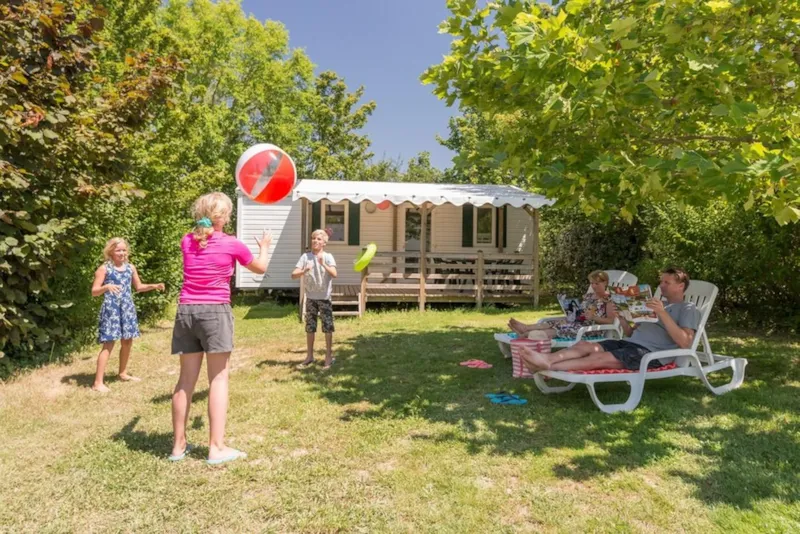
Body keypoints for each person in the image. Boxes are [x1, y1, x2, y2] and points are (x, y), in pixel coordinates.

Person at [169, 192, 271, 465]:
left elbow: (201, 241)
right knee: (218, 379)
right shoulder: (232, 243)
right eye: (227, 212)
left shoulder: (186, 241)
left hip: (186, 311)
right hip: (214, 312)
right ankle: (216, 447)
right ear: (223, 216)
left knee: (185, 382)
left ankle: (178, 446)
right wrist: (264, 246)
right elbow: (260, 268)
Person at [519, 267, 701, 373]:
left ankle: (548, 366)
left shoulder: (687, 309)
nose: (661, 286)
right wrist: (622, 318)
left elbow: (685, 342)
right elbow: (630, 332)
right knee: (585, 346)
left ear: (680, 286)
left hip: (648, 354)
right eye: (661, 282)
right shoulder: (656, 304)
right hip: (628, 343)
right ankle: (547, 360)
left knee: (598, 358)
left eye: (666, 283)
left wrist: (662, 314)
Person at [91, 237, 165, 393]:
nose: (122, 253)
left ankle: (122, 373)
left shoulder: (130, 268)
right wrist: (107, 287)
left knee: (127, 341)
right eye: (118, 250)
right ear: (111, 251)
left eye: (124, 250)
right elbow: (94, 292)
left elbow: (138, 287)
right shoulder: (104, 269)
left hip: (127, 309)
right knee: (109, 344)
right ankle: (98, 383)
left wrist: (154, 285)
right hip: (112, 310)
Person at [508, 270, 615, 340]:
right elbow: (580, 313)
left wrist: (594, 317)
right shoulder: (589, 296)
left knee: (562, 327)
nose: (594, 286)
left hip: (592, 328)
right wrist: (570, 309)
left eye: (597, 283)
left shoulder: (608, 300)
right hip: (578, 322)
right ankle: (526, 328)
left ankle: (528, 334)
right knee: (554, 322)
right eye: (592, 283)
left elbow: (611, 321)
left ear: (605, 283)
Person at [291, 229, 337, 369]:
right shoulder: (305, 257)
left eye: (319, 239)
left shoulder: (328, 256)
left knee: (327, 328)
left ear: (324, 243)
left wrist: (323, 264)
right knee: (310, 328)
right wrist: (304, 270)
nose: (315, 241)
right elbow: (293, 275)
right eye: (313, 238)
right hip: (310, 297)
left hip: (324, 298)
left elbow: (334, 274)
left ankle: (328, 356)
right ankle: (309, 356)